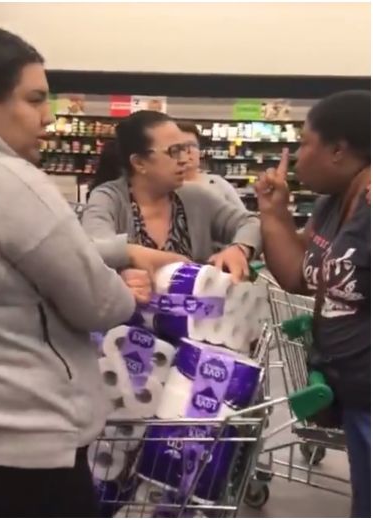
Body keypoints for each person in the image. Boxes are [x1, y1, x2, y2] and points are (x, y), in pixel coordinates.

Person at [0, 28, 163, 518]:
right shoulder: (18, 182)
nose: (48, 117)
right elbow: (97, 303)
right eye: (35, 99)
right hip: (36, 431)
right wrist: (124, 287)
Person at [255, 90, 370, 518]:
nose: (298, 157)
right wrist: (273, 213)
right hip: (357, 396)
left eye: (305, 143)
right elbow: (298, 274)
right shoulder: (333, 203)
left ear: (338, 150)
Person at [82, 110, 262, 282]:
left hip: (197, 312)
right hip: (132, 312)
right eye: (174, 151)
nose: (184, 159)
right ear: (139, 163)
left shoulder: (196, 197)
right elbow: (89, 249)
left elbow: (250, 222)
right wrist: (133, 253)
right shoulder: (109, 198)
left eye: (186, 149)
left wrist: (239, 249)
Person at [177, 121, 247, 211]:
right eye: (180, 147)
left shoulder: (219, 185)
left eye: (192, 145)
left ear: (200, 151)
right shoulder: (163, 188)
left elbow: (244, 219)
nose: (188, 151)